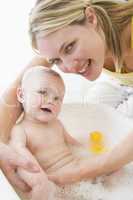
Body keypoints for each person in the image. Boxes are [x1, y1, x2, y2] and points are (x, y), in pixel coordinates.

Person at [1, 0, 133, 190]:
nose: (70, 68)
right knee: (94, 109)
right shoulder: (64, 33)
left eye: (70, 47)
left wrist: (84, 170)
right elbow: (19, 86)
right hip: (121, 80)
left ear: (91, 18)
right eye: (56, 60)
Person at [9, 66, 94, 200]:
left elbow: (73, 143)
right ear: (21, 95)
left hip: (76, 170)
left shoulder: (57, 123)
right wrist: (40, 178)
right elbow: (19, 152)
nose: (51, 101)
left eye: (57, 98)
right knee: (42, 188)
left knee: (108, 169)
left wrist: (90, 152)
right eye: (43, 92)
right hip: (53, 180)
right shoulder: (21, 129)